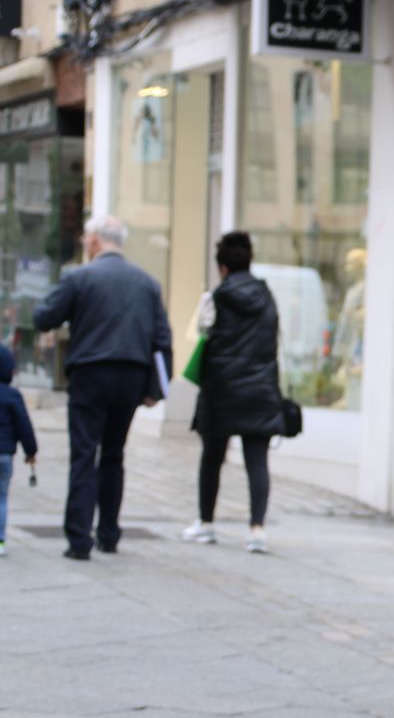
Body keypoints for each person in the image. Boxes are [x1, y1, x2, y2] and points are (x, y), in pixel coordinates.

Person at [33, 215, 171, 560]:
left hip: (90, 374)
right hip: (131, 377)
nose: (83, 243)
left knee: (84, 454)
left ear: (95, 241)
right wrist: (156, 389)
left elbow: (43, 317)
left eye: (85, 238)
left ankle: (79, 539)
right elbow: (162, 340)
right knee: (114, 455)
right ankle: (109, 533)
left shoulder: (80, 277)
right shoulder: (147, 283)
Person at [182, 232, 284, 554]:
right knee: (257, 460)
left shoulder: (215, 297)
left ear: (222, 266)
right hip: (259, 388)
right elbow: (274, 340)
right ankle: (257, 530)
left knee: (212, 458)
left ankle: (206, 524)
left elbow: (202, 336)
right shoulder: (267, 297)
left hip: (221, 389)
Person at [0, 343, 40, 558]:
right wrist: (31, 452)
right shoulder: (13, 395)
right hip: (4, 455)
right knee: (1, 498)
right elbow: (24, 425)